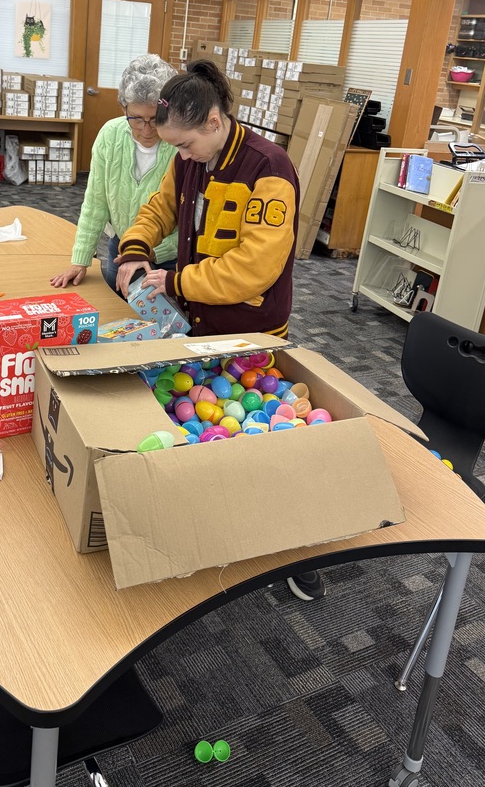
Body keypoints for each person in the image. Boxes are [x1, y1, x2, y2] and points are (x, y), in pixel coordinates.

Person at [114, 59, 324, 603]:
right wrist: (135, 246)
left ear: (213, 121)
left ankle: (292, 548)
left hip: (250, 331)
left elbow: (256, 267)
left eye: (185, 145)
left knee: (261, 444)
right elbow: (160, 207)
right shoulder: (189, 159)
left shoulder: (269, 168)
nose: (181, 157)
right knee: (209, 428)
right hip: (196, 326)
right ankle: (211, 531)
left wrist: (177, 280)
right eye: (174, 148)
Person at [50, 53, 179, 292]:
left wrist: (150, 252)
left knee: (163, 316)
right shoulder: (110, 135)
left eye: (155, 119)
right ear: (123, 108)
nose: (147, 130)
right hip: (120, 249)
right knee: (114, 307)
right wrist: (80, 259)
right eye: (136, 119)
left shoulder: (181, 144)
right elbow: (96, 202)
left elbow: (193, 218)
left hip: (168, 257)